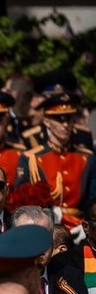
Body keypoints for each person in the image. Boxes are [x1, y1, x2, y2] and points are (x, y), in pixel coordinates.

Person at [16, 92, 96, 230]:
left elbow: (93, 197)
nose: (65, 124)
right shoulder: (31, 158)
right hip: (46, 227)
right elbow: (22, 201)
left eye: (69, 119)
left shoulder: (87, 157)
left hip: (80, 227)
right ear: (47, 121)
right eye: (59, 119)